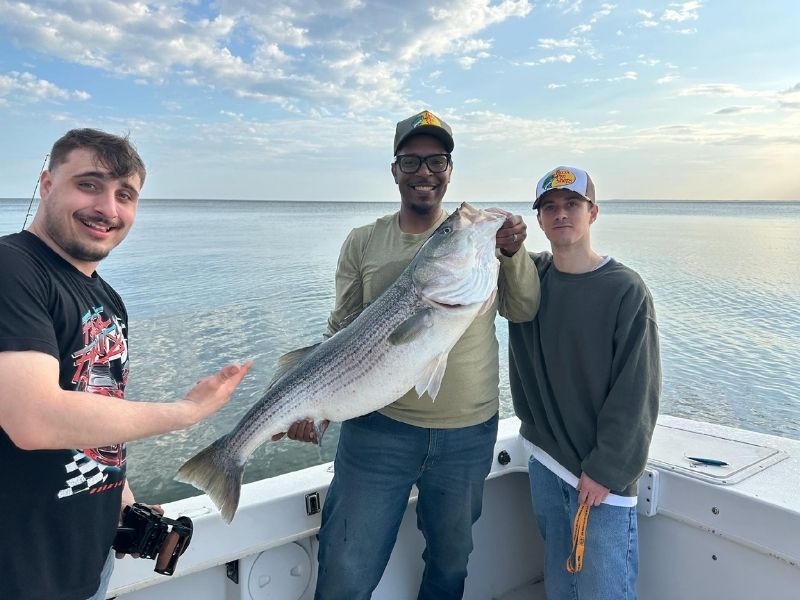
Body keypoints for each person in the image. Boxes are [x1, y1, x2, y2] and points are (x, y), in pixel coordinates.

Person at [279, 110, 539, 599]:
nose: (425, 173)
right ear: (394, 170)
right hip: (378, 429)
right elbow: (341, 329)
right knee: (346, 566)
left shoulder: (482, 246)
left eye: (437, 161)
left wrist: (512, 253)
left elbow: (524, 309)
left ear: (450, 169)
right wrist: (319, 402)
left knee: (450, 563)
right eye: (412, 161)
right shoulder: (363, 241)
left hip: (467, 433)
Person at [0, 128, 251, 600]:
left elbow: (98, 404)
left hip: (86, 564)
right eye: (89, 184)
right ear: (47, 184)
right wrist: (186, 411)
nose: (108, 209)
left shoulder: (106, 297)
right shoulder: (11, 269)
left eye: (125, 194)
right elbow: (32, 419)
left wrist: (122, 498)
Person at [504, 166, 661, 599]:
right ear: (538, 220)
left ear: (592, 213)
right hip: (545, 462)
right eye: (549, 207)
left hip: (597, 479)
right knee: (561, 585)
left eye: (572, 204)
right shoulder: (528, 280)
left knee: (602, 590)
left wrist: (606, 469)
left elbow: (637, 389)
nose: (561, 215)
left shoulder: (625, 289)